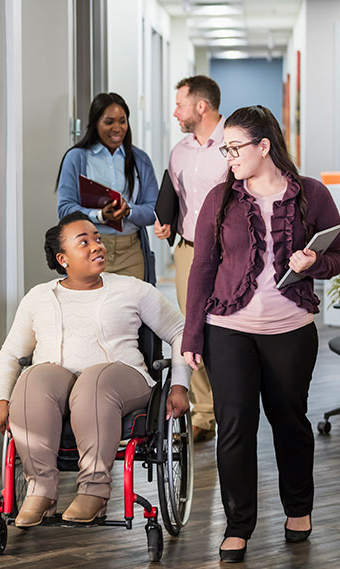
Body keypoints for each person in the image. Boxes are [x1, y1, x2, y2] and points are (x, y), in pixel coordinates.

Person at [180, 106, 340, 563]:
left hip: (290, 329)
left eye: (235, 148)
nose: (228, 156)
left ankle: (298, 509)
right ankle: (238, 525)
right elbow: (203, 268)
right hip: (228, 329)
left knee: (290, 422)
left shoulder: (312, 195)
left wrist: (315, 263)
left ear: (264, 146)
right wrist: (192, 334)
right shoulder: (221, 199)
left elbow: (337, 259)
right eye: (225, 148)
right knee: (235, 427)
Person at [0, 211, 190, 528]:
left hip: (122, 380)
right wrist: (2, 400)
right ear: (62, 258)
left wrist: (179, 385)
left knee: (94, 380)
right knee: (33, 377)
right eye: (84, 242)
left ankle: (94, 490)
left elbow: (181, 331)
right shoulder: (39, 298)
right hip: (57, 388)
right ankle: (40, 489)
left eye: (97, 239)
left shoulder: (133, 289)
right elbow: (13, 353)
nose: (97, 246)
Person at [154, 75, 228, 442]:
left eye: (180, 104)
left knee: (229, 327)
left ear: (201, 106)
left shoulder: (234, 141)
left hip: (229, 251)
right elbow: (175, 195)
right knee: (191, 327)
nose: (175, 112)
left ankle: (233, 407)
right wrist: (165, 222)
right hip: (188, 250)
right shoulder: (179, 151)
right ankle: (205, 413)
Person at [57, 93, 159, 283]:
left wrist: (129, 211)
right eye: (109, 122)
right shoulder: (76, 157)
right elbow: (65, 209)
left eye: (122, 121)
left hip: (130, 251)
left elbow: (154, 210)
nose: (117, 128)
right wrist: (99, 216)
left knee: (131, 310)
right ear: (95, 123)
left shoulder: (140, 159)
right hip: (89, 250)